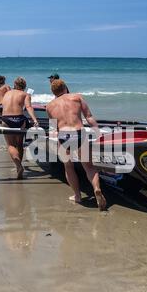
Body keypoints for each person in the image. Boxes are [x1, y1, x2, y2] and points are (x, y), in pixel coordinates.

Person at [46, 79, 106, 211]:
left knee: (68, 166)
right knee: (89, 167)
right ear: (65, 87)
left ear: (53, 92)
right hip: (79, 133)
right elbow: (89, 117)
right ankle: (96, 189)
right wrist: (98, 133)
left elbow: (54, 128)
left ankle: (77, 196)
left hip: (64, 136)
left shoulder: (49, 106)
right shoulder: (77, 97)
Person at [2, 77, 39, 179]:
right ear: (24, 86)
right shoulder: (25, 94)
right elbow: (28, 107)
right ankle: (19, 166)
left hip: (7, 120)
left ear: (14, 84)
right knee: (19, 144)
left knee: (10, 145)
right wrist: (34, 120)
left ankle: (18, 166)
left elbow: (3, 107)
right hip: (20, 119)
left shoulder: (6, 93)